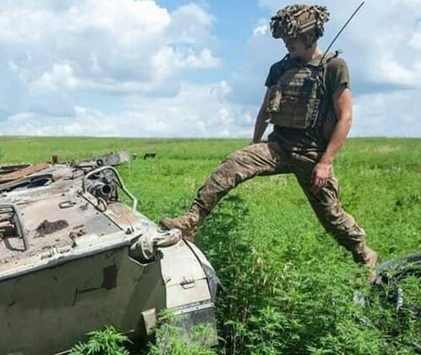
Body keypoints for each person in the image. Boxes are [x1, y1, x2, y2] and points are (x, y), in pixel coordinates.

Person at [160, 4, 378, 271]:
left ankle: (365, 255)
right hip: (279, 146)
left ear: (310, 36)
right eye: (284, 38)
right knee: (232, 165)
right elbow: (265, 110)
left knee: (331, 215)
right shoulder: (279, 69)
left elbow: (345, 118)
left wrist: (326, 161)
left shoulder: (333, 67)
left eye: (292, 38)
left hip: (312, 153)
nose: (287, 44)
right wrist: (253, 147)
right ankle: (191, 221)